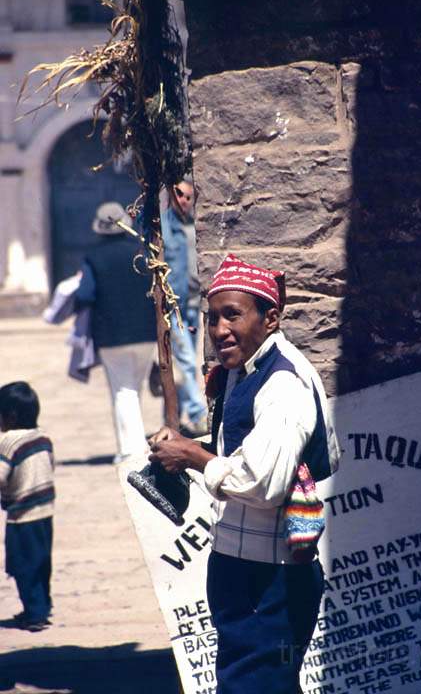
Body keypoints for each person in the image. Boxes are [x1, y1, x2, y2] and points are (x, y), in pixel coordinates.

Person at [148, 253, 340, 694]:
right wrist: (189, 449)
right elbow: (246, 453)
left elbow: (264, 482)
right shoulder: (245, 370)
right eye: (212, 318)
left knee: (254, 683)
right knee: (258, 679)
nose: (219, 331)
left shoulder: (282, 385)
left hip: (268, 581)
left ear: (270, 318)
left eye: (232, 316)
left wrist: (194, 457)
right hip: (244, 570)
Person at [75, 202, 157, 464]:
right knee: (134, 388)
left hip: (111, 334)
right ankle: (136, 444)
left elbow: (84, 294)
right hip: (146, 332)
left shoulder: (93, 257)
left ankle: (131, 450)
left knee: (123, 390)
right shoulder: (143, 253)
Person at [0, 381, 55, 632]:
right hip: (45, 512)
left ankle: (35, 615)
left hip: (22, 515)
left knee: (22, 566)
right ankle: (42, 606)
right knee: (42, 562)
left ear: (10, 416)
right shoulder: (43, 437)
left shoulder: (9, 441)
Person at [160, 177, 207, 434]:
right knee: (186, 360)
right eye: (179, 195)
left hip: (193, 303)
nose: (184, 200)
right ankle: (199, 415)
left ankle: (172, 415)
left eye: (188, 196)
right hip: (173, 303)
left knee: (188, 360)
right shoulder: (165, 226)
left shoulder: (197, 224)